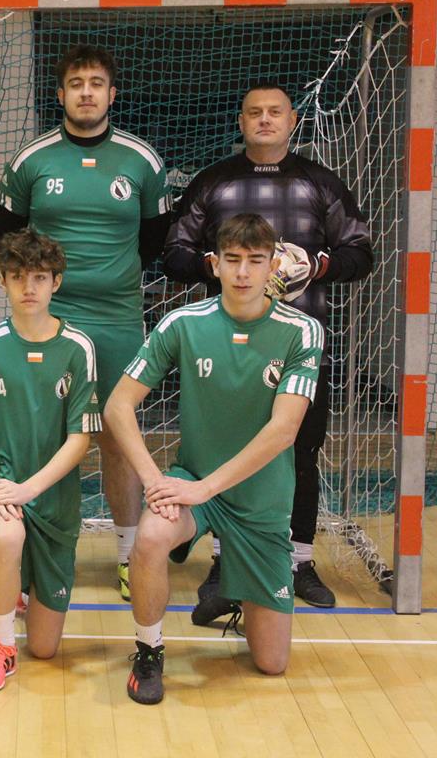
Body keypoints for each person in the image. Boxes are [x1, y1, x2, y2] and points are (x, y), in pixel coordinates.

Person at [164, 83, 373, 614]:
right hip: (225, 347)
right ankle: (223, 562)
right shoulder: (214, 182)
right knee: (224, 452)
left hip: (299, 344)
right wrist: (217, 266)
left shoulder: (320, 183)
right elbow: (174, 253)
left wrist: (316, 266)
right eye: (253, 112)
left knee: (300, 451)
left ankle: (299, 562)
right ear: (241, 121)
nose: (264, 120)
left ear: (292, 120)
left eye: (274, 112)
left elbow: (360, 252)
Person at [105, 213, 323, 704]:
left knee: (271, 663)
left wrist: (205, 488)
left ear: (273, 267)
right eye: (233, 259)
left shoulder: (302, 331)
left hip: (260, 498)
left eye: (255, 260)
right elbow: (117, 406)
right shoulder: (183, 323)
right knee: (152, 535)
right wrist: (155, 480)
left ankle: (234, 589)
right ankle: (148, 651)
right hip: (194, 483)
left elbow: (284, 431)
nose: (243, 272)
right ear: (214, 264)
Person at [0, 44, 172, 600]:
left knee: (119, 436)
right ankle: (36, 554)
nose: (87, 92)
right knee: (44, 436)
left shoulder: (142, 161)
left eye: (96, 83)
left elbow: (155, 240)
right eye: (76, 84)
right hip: (50, 321)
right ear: (61, 94)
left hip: (119, 320)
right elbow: (9, 239)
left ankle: (127, 555)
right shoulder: (32, 161)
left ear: (112, 94)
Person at [0, 230, 101, 693]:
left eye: (39, 277)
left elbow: (80, 439)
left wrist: (30, 489)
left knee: (45, 647)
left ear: (56, 282)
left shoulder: (77, 348)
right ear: (2, 280)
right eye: (18, 276)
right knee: (5, 533)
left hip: (53, 500)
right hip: (3, 488)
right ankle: (0, 645)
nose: (29, 287)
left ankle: (20, 591)